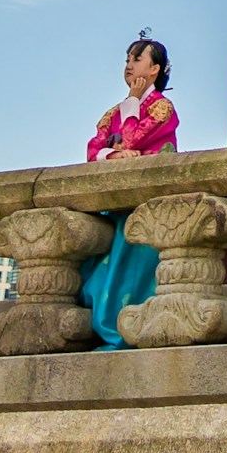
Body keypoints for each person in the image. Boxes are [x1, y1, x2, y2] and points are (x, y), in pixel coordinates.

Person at [80, 35, 179, 347]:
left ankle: (129, 326)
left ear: (155, 69)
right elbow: (94, 148)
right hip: (115, 201)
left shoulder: (162, 108)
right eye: (127, 60)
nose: (129, 65)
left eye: (137, 59)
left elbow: (134, 140)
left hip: (145, 203)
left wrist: (132, 110)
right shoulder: (113, 113)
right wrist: (114, 154)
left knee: (136, 266)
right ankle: (105, 325)